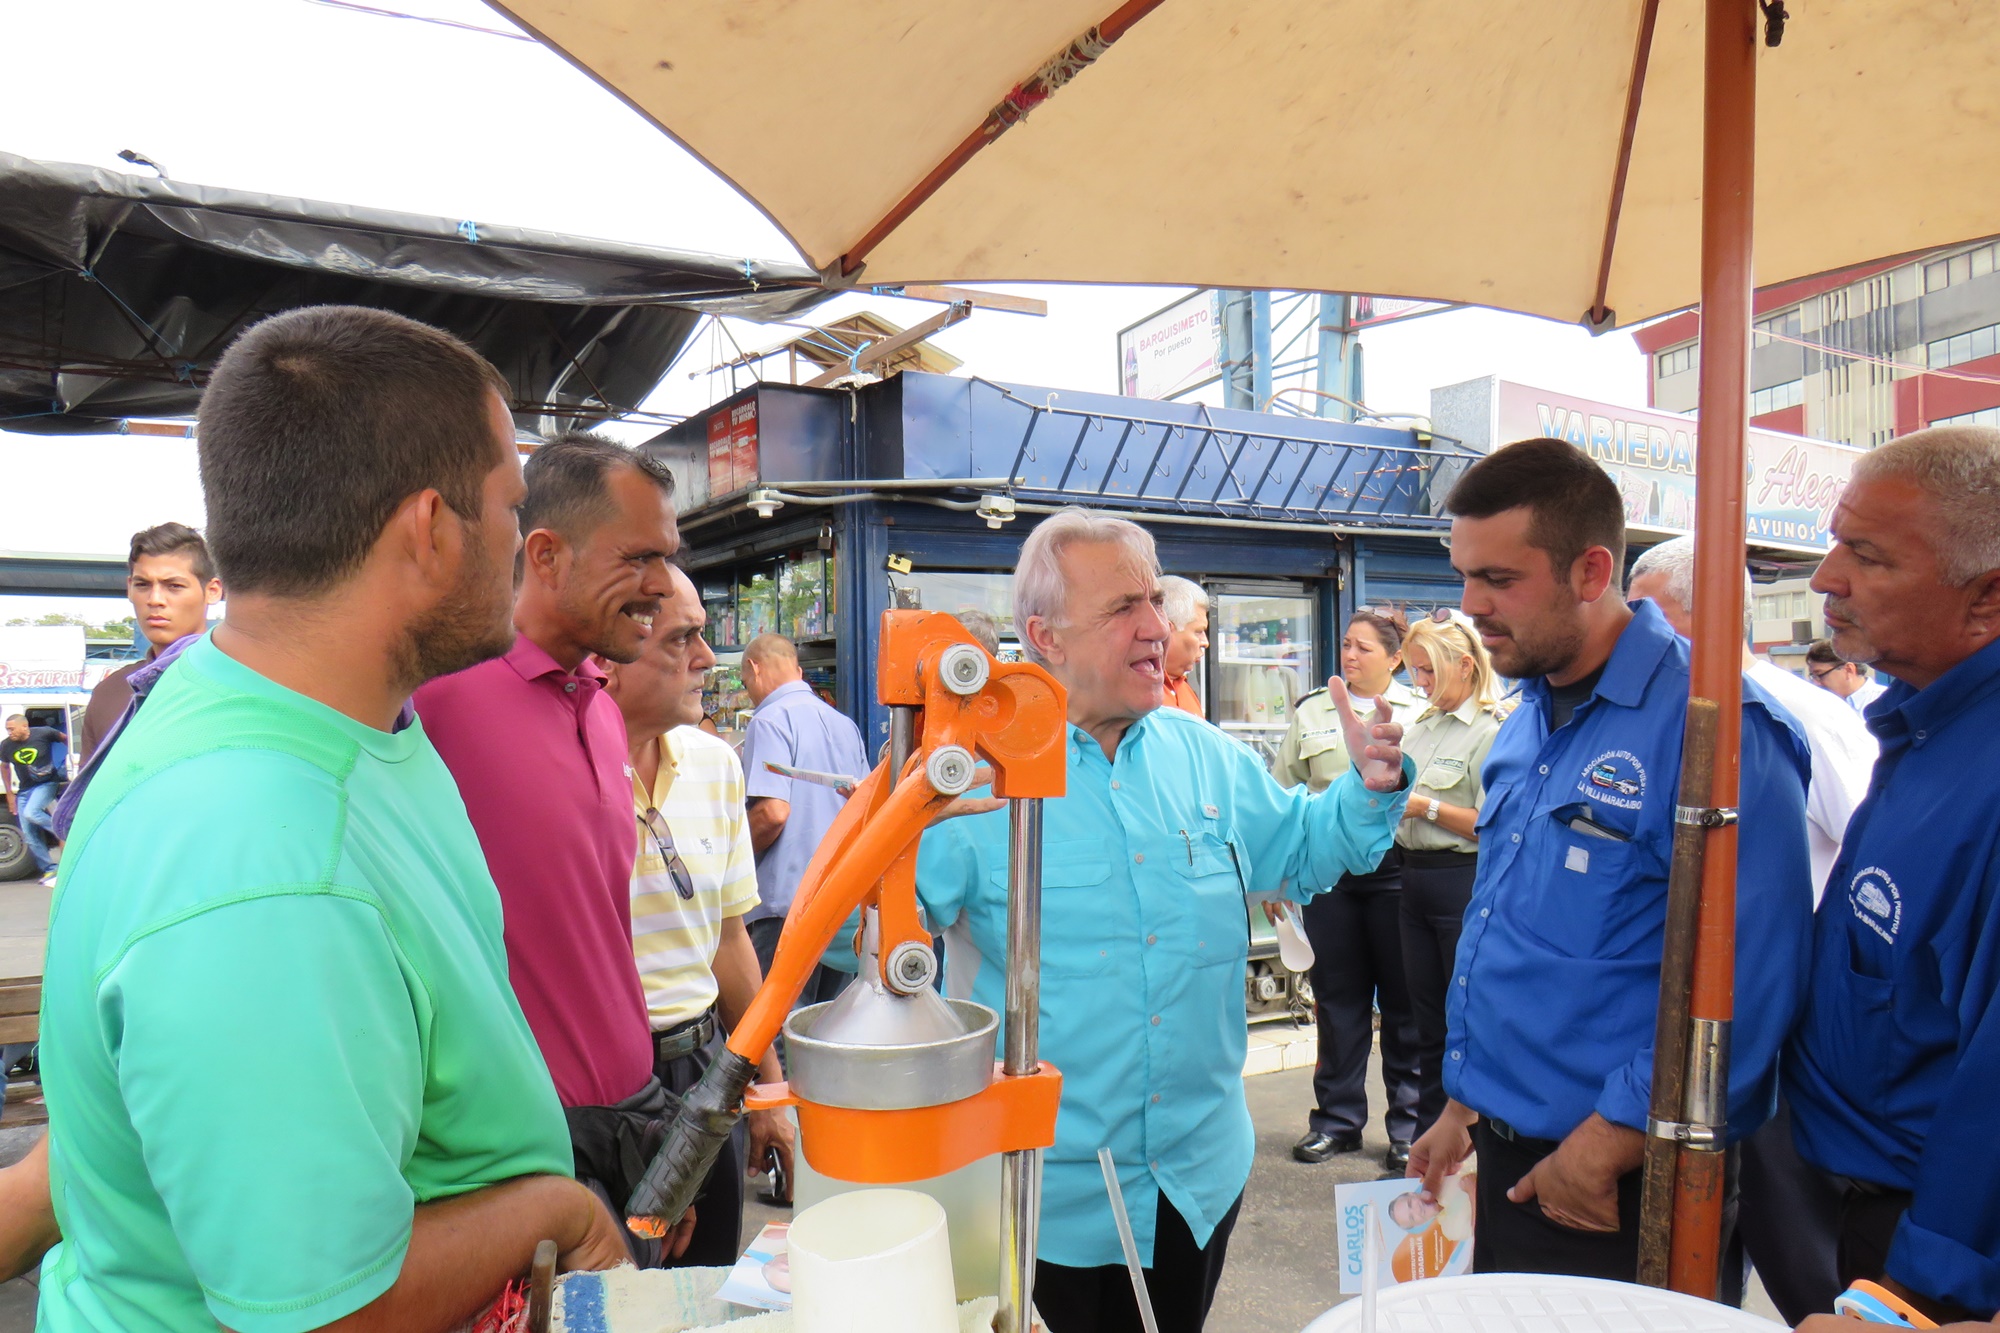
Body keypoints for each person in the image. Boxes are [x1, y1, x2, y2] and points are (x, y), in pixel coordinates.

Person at [35, 306, 626, 1333]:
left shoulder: (299, 714)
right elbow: (323, 1311)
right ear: (430, 529)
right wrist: (556, 1208)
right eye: (505, 506)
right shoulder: (265, 862)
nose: (518, 547)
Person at [917, 507, 1411, 1333]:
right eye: (1123, 609)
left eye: (1153, 599)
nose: (1157, 626)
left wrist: (1366, 788)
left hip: (1196, 1181)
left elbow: (1301, 850)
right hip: (1044, 1206)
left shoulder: (1200, 751)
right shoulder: (971, 782)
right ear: (1046, 635)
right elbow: (872, 954)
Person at [1408, 437, 1813, 1287]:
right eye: (1463, 575)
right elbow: (1507, 921)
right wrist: (1460, 1102)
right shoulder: (1530, 705)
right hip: (1506, 1151)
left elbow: (1751, 983)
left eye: (1499, 580)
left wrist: (1607, 1143)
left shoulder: (1715, 730)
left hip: (1616, 1181)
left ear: (1592, 571)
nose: (1467, 607)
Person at [416, 429, 695, 1266]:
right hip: (519, 1153)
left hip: (631, 1123)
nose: (662, 586)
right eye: (639, 558)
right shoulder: (439, 700)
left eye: (668, 557)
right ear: (546, 554)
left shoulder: (602, 705)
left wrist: (656, 1144)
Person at [1630, 535, 1877, 1322]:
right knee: (1704, 1248)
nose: (1635, 633)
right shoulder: (1666, 712)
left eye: (1650, 614)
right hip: (1689, 1030)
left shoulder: (1797, 715)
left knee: (1800, 1253)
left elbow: (1863, 853)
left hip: (1780, 1028)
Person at [1785, 426, 2000, 1326]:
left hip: (1914, 1257)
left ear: (1986, 598)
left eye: (1866, 556)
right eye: (1836, 541)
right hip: (1845, 1194)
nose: (1826, 577)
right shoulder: (1925, 718)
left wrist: (1912, 1297)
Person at [600, 562, 797, 1261]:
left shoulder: (717, 765)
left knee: (707, 1281)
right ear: (610, 654)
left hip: (707, 1070)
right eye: (683, 639)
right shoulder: (562, 774)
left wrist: (768, 1084)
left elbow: (729, 940)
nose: (709, 660)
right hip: (605, 1094)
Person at [1632, 538, 1877, 904]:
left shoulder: (1807, 713)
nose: (1634, 633)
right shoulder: (1656, 706)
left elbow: (1871, 845)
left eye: (1650, 617)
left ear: (1716, 613)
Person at [1275, 609, 1426, 1168]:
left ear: (1395, 659)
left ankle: (1408, 1126)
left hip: (1396, 870)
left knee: (1405, 1003)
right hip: (1328, 873)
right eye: (1346, 645)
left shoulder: (1419, 711)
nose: (1351, 655)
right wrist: (1282, 874)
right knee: (1337, 1000)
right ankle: (1336, 1121)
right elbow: (1284, 787)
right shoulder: (1314, 710)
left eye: (1365, 648)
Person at [1394, 612, 1504, 1140]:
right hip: (1411, 879)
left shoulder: (1493, 728)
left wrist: (1426, 808)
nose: (1421, 684)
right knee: (1426, 1025)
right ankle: (1423, 1141)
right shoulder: (1421, 724)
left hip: (1462, 881)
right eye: (1415, 672)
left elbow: (1492, 826)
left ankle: (1469, 1142)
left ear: (1465, 665)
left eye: (1429, 672)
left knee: (1468, 1023)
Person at [738, 633, 871, 1006]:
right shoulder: (844, 724)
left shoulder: (768, 720)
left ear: (754, 668)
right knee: (826, 1028)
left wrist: (729, 858)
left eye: (746, 684)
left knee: (774, 1031)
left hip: (787, 907)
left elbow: (772, 813)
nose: (749, 693)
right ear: (797, 670)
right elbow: (864, 808)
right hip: (840, 902)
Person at [78, 522, 222, 759]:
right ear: (129, 588)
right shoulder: (110, 693)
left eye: (174, 586)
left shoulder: (245, 680)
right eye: (142, 585)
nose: (155, 600)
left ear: (213, 590)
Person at [3, 714, 64, 883]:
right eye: (7, 729)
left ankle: (64, 832)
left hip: (46, 784)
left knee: (32, 812)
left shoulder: (44, 733)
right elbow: (5, 767)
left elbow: (67, 739)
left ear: (24, 726)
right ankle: (50, 869)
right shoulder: (6, 745)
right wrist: (9, 793)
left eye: (12, 729)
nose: (9, 732)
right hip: (24, 790)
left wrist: (74, 760)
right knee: (29, 835)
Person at [1159, 574, 1210, 717]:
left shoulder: (1184, 687)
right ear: (1165, 630)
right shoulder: (1133, 692)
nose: (1205, 643)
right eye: (1198, 631)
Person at [1806, 637, 1888, 714]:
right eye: (1813, 676)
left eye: (1819, 675)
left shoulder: (1886, 701)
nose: (1816, 683)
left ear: (1849, 669)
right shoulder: (1819, 707)